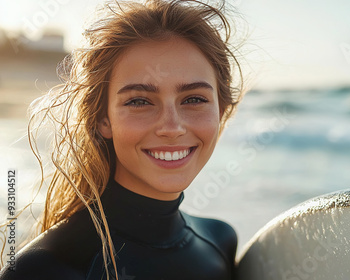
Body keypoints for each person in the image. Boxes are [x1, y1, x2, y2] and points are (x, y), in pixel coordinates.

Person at [0, 0, 244, 279]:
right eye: (140, 101)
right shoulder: (46, 270)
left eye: (194, 99)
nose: (172, 127)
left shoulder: (221, 242)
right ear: (104, 120)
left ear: (221, 110)